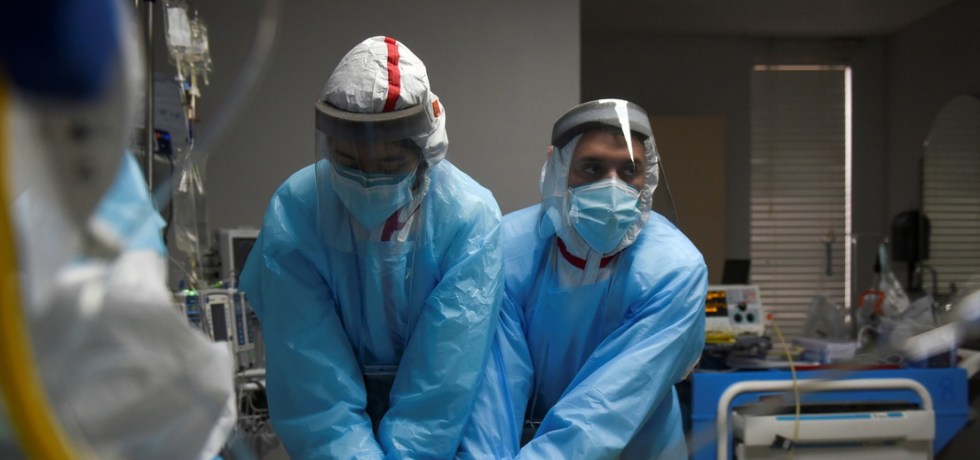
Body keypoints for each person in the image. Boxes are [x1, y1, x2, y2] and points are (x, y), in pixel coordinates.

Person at [239, 36, 503, 459]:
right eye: (348, 161)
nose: (366, 179)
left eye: (389, 164)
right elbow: (313, 381)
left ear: (425, 152)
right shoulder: (299, 209)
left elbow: (442, 382)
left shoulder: (468, 217)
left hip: (443, 431)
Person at [459, 99, 707, 459]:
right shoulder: (505, 250)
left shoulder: (674, 270)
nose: (613, 187)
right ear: (559, 168)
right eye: (593, 168)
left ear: (647, 176)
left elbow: (608, 406)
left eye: (629, 170)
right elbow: (494, 391)